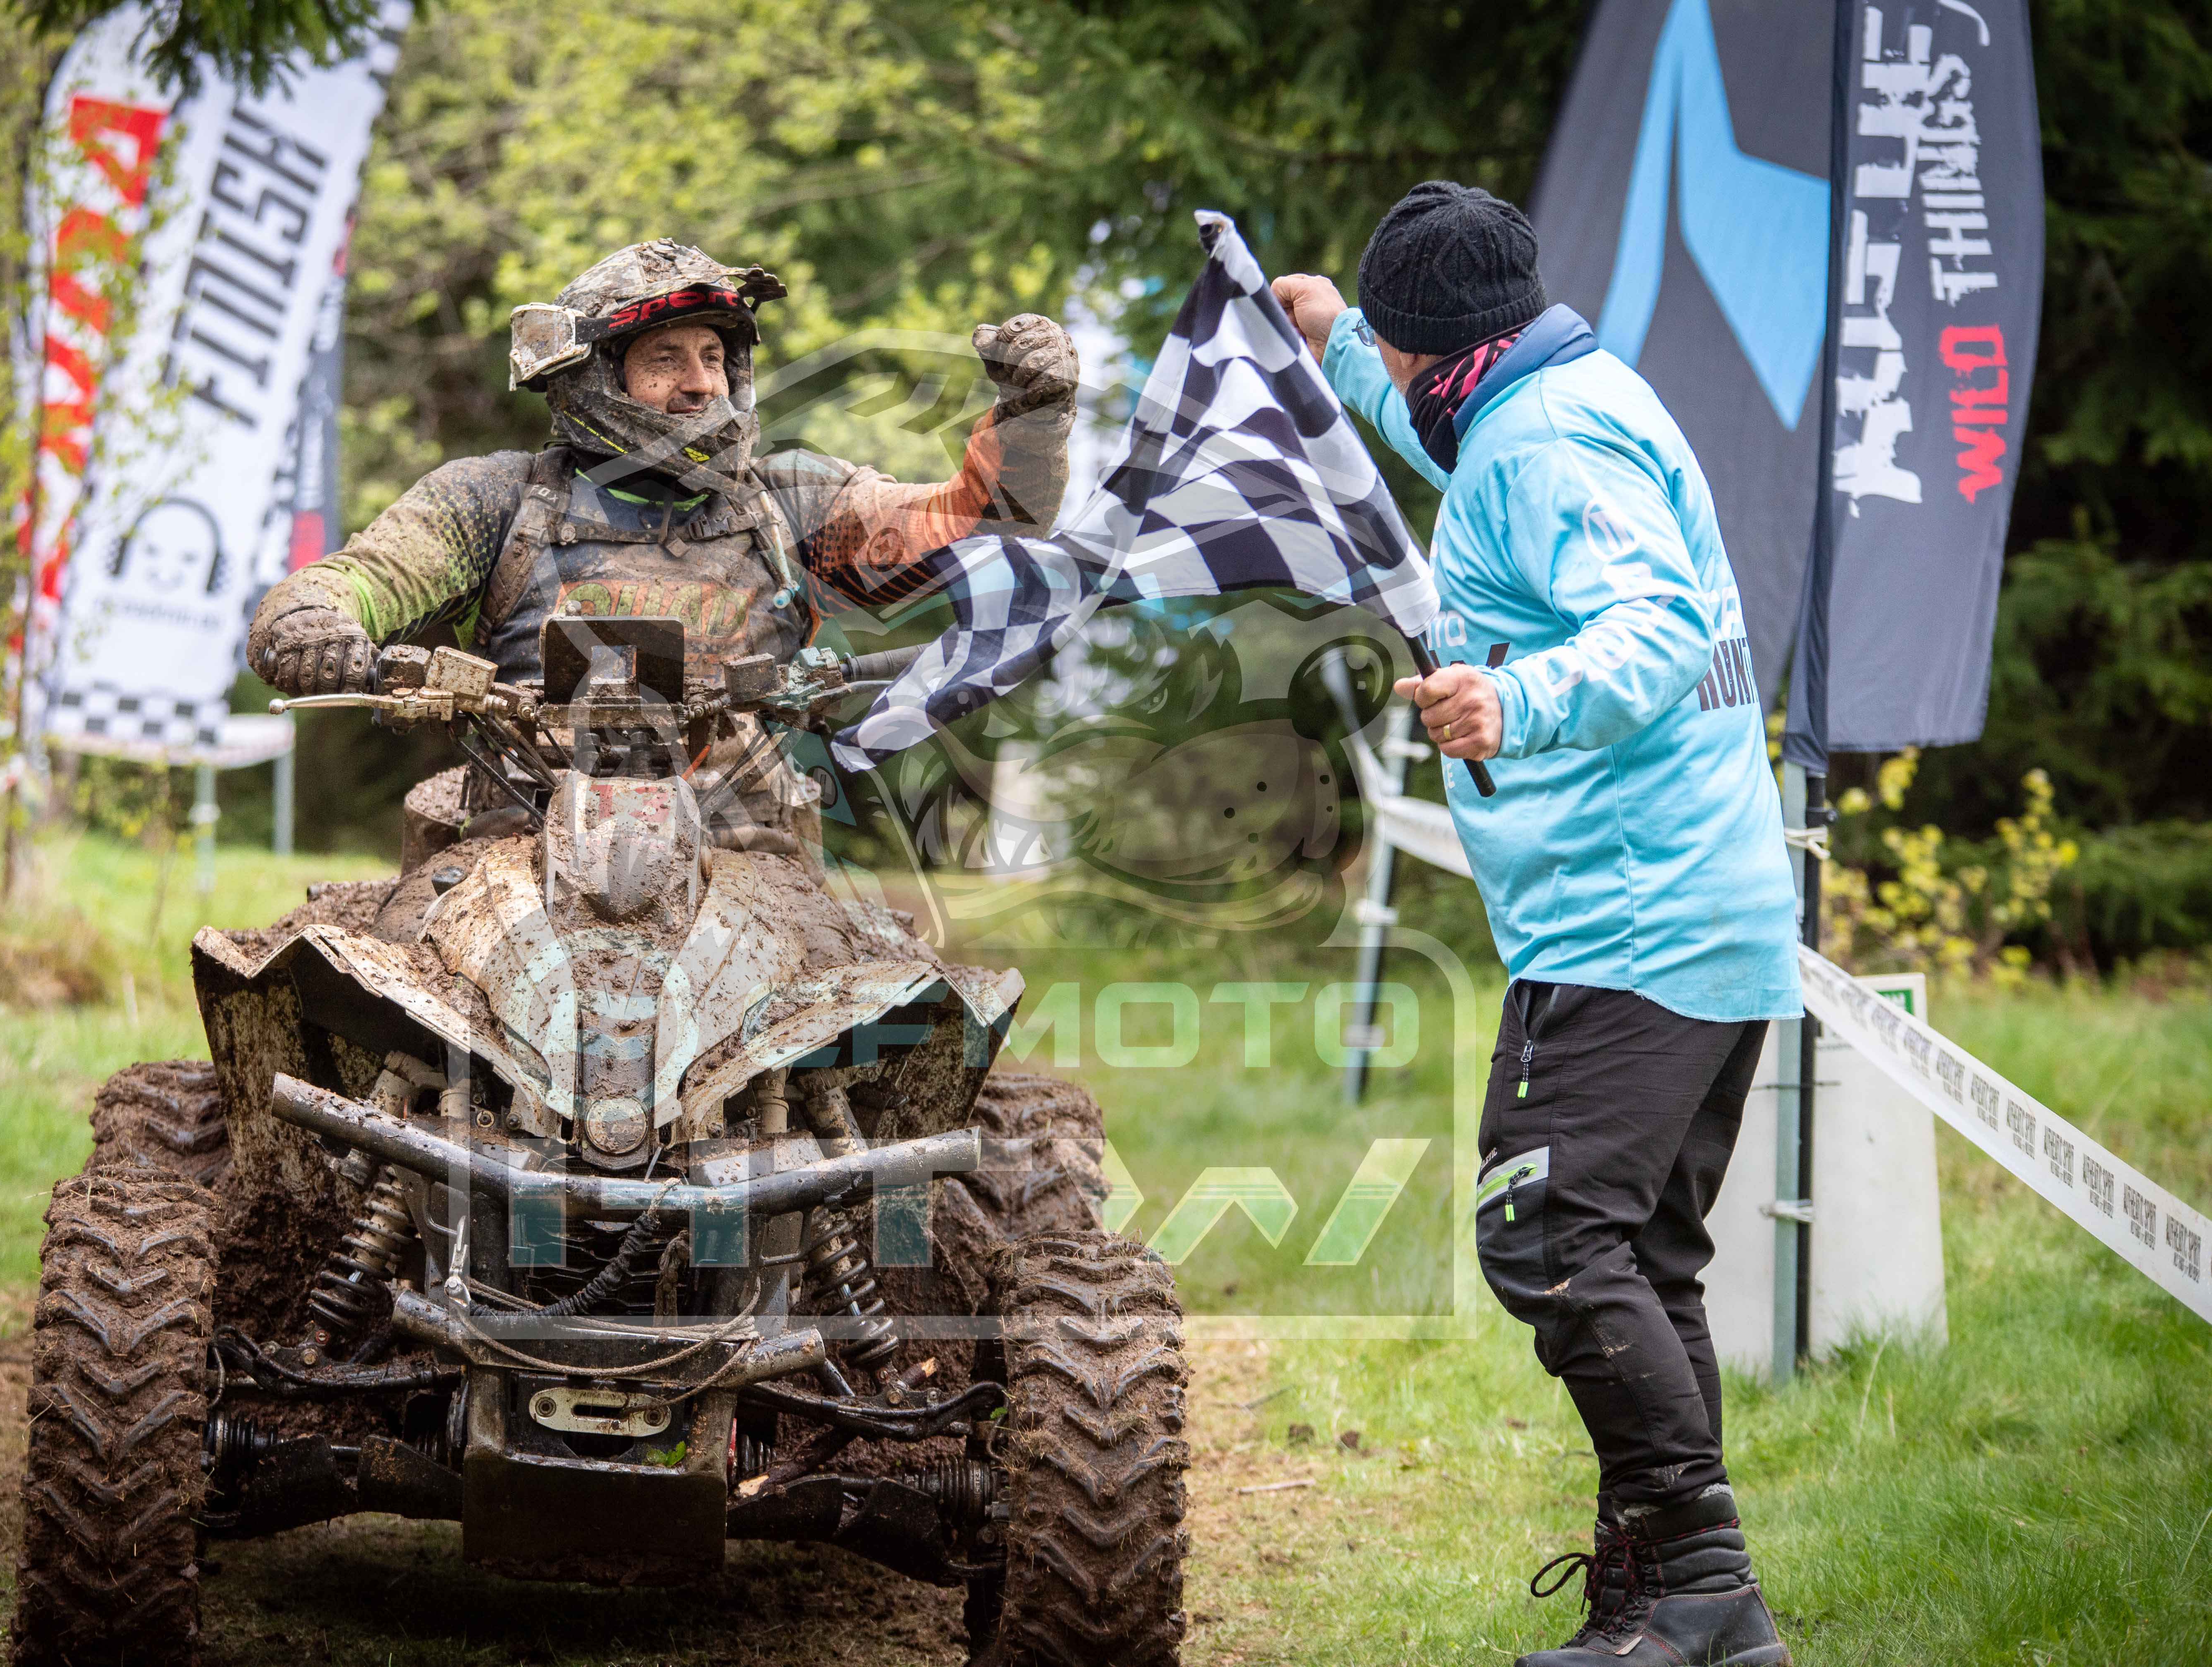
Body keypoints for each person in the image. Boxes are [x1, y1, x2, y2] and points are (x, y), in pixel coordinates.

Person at [1276, 184, 1801, 1667]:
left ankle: (1703, 1587)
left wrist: (1516, 698)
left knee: (1549, 1230)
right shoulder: (1545, 390)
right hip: (1693, 911)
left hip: (1631, 923)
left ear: (1438, 352)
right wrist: (1333, 338)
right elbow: (1461, 447)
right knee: (1641, 1252)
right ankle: (1667, 1605)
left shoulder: (1545, 441)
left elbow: (1656, 626)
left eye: (1388, 349)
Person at [248, 237, 1076, 849]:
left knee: (899, 1009)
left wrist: (1033, 421)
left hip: (752, 865)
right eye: (667, 357)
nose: (701, 382)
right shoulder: (495, 500)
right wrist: (312, 624)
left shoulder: (793, 502)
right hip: (516, 856)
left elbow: (977, 523)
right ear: (594, 374)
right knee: (374, 984)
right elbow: (356, 580)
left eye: (715, 355)